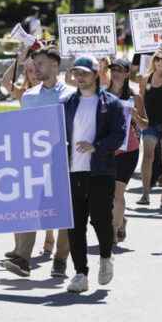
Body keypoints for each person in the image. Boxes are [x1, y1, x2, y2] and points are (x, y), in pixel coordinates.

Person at [3, 47, 74, 278]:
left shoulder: (72, 95)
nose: (36, 68)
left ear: (55, 65)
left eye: (41, 63)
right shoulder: (29, 96)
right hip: (35, 164)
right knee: (29, 209)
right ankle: (23, 258)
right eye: (35, 64)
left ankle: (60, 260)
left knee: (65, 215)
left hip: (65, 163)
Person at [64, 56, 126, 293]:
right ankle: (80, 273)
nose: (80, 78)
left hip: (100, 171)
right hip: (73, 171)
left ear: (96, 74)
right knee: (75, 225)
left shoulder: (111, 103)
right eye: (76, 73)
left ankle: (105, 256)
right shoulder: (67, 103)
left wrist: (96, 146)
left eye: (85, 73)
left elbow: (118, 135)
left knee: (100, 219)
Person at [106, 58, 147, 244]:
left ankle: (113, 233)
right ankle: (121, 220)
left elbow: (145, 125)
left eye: (119, 69)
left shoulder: (134, 98)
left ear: (126, 73)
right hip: (107, 151)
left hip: (128, 150)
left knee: (118, 192)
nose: (115, 72)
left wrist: (135, 116)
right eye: (113, 69)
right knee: (106, 194)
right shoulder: (102, 96)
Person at [137, 47, 162, 207]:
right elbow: (141, 99)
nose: (161, 62)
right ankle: (145, 194)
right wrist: (139, 119)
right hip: (150, 124)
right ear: (153, 61)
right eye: (157, 59)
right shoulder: (146, 78)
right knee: (147, 157)